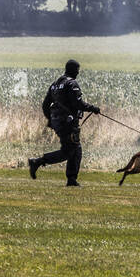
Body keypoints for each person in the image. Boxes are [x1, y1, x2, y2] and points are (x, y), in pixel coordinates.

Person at [28, 58, 100, 186]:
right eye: (77, 70)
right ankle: (38, 162)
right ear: (73, 70)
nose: (78, 73)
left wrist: (51, 120)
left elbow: (45, 105)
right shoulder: (71, 83)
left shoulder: (55, 84)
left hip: (58, 121)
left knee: (75, 149)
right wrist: (92, 108)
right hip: (68, 122)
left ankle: (71, 179)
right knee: (69, 151)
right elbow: (77, 103)